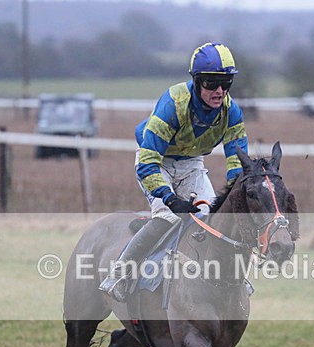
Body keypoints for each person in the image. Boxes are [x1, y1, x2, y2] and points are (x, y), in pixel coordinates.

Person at [99, 42, 250, 302]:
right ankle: (119, 275)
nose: (220, 91)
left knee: (210, 220)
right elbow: (148, 161)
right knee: (167, 217)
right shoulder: (173, 102)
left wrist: (234, 193)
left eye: (226, 83)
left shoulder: (231, 111)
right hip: (157, 162)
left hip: (192, 164)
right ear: (197, 81)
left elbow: (237, 161)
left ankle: (231, 276)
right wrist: (169, 198)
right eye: (212, 84)